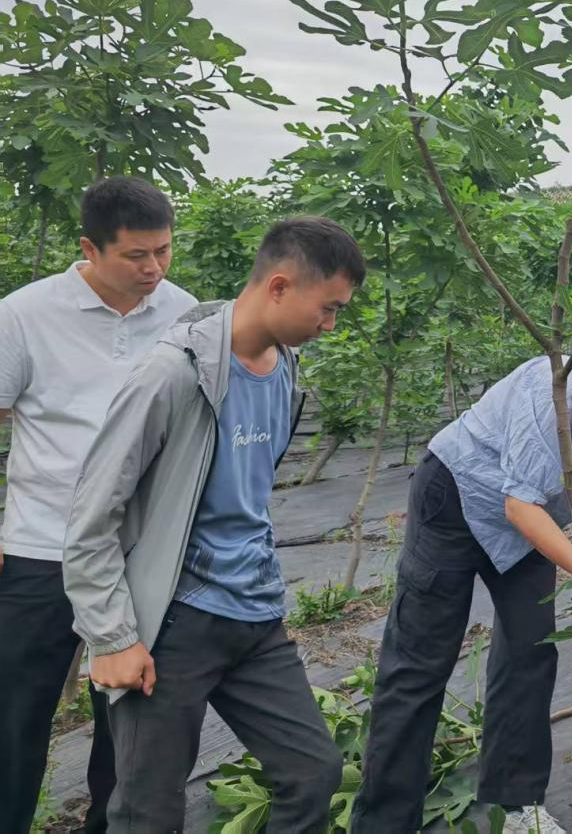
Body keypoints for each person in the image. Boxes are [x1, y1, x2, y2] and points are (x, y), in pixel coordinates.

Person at [63, 216, 366, 832]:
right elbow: (92, 516)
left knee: (313, 772)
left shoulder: (285, 370)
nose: (330, 325)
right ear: (279, 286)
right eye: (328, 308)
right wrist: (113, 636)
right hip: (174, 624)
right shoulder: (173, 374)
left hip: (254, 616)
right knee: (148, 808)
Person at [352, 323, 572, 834]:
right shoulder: (556, 392)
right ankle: (384, 821)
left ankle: (516, 801)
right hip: (458, 499)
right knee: (420, 663)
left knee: (532, 649)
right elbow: (519, 505)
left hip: (534, 520)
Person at [0, 176, 197, 833]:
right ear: (89, 247)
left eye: (164, 251)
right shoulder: (25, 314)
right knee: (13, 718)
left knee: (130, 727)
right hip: (41, 549)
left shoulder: (185, 314)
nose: (153, 268)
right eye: (135, 255)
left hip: (141, 555)